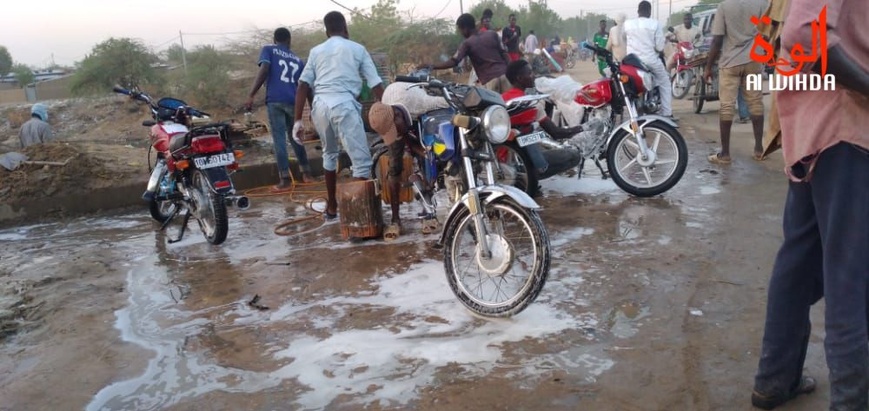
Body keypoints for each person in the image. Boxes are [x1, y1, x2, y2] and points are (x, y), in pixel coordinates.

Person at [750, 0, 869, 408]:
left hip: (815, 128)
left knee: (799, 264)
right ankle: (851, 400)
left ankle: (775, 379)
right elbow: (808, 35)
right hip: (845, 126)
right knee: (851, 277)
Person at [292, 11, 384, 220]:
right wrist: (389, 109)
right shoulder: (357, 49)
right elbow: (375, 83)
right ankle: (360, 216)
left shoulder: (316, 51)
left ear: (326, 31)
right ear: (346, 29)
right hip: (344, 105)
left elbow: (303, 85)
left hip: (320, 106)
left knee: (329, 154)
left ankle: (332, 207)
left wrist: (298, 120)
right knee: (361, 161)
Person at [367, 82, 448, 240]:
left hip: (414, 109)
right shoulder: (385, 114)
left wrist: (427, 154)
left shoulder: (422, 104)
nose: (394, 134)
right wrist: (402, 135)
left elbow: (447, 101)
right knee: (394, 166)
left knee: (427, 161)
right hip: (395, 108)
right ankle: (395, 220)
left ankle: (429, 213)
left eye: (394, 130)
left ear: (398, 117)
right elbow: (403, 135)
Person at [245, 27, 314, 192]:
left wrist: (251, 95)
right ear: (289, 41)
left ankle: (284, 180)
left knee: (279, 140)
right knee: (296, 137)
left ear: (275, 39)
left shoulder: (268, 49)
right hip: (293, 102)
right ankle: (307, 174)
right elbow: (306, 85)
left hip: (275, 101)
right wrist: (312, 106)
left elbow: (264, 69)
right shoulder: (297, 60)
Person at [703, 0, 766, 164]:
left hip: (730, 63)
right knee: (756, 103)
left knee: (726, 106)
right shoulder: (761, 4)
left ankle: (725, 154)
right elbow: (769, 32)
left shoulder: (724, 6)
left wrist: (708, 67)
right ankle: (759, 149)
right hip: (754, 60)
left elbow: (717, 40)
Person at [503, 59, 583, 180]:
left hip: (503, 154)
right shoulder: (532, 103)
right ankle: (532, 176)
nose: (533, 76)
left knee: (536, 138)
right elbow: (556, 133)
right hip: (521, 153)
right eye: (529, 73)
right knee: (574, 156)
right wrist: (582, 128)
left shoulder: (502, 99)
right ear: (519, 78)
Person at [424, 14, 511, 93]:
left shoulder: (467, 43)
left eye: (460, 30)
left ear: (465, 28)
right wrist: (512, 72)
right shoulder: (492, 34)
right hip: (506, 76)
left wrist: (431, 66)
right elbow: (505, 54)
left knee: (495, 109)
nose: (461, 33)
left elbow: (454, 61)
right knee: (513, 107)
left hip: (490, 81)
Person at [624, 1, 674, 119]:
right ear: (649, 11)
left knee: (628, 86)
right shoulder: (655, 24)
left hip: (632, 62)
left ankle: (631, 114)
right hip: (650, 60)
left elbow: (624, 39)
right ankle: (666, 112)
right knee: (665, 82)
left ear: (638, 11)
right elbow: (660, 47)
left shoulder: (628, 24)